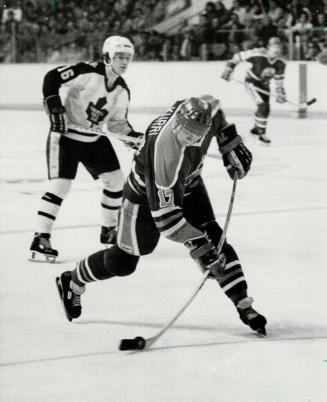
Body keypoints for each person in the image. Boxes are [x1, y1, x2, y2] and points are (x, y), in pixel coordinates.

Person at [55, 96, 267, 335]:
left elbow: (215, 109)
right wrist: (200, 245)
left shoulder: (198, 116)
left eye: (200, 136)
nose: (195, 142)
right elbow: (168, 222)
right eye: (190, 137)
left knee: (215, 237)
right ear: (177, 125)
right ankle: (72, 281)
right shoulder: (166, 156)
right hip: (144, 198)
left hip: (189, 183)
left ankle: (243, 303)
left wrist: (230, 142)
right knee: (123, 262)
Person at [29, 36, 143, 262]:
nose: (124, 62)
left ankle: (109, 230)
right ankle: (40, 238)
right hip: (66, 137)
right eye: (120, 57)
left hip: (93, 138)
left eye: (127, 58)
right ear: (108, 56)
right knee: (61, 185)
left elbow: (118, 123)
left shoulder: (122, 90)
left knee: (116, 181)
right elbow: (52, 77)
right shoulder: (88, 71)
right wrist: (54, 106)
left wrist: (132, 137)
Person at [221, 36, 287, 144]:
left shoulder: (281, 63)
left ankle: (256, 130)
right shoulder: (258, 54)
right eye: (274, 46)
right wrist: (228, 69)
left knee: (266, 108)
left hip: (265, 85)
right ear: (268, 47)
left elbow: (279, 80)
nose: (276, 49)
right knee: (263, 107)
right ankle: (261, 134)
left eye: (279, 47)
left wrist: (281, 93)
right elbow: (237, 57)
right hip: (251, 82)